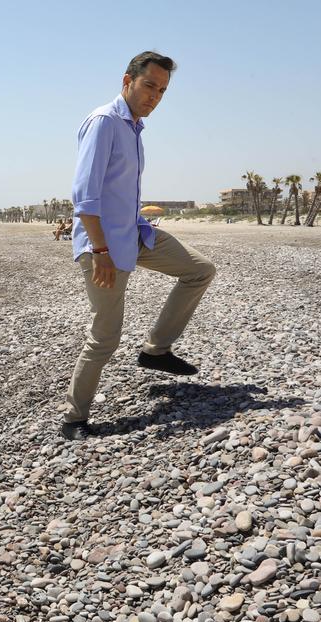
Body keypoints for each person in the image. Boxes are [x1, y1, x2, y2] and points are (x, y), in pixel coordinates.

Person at [61, 51, 217, 441]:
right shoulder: (104, 123)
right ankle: (74, 418)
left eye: (162, 91)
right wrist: (99, 251)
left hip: (135, 233)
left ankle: (156, 350)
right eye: (149, 86)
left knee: (199, 270)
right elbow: (85, 197)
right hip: (105, 248)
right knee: (105, 336)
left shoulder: (134, 127)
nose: (155, 96)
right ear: (127, 81)